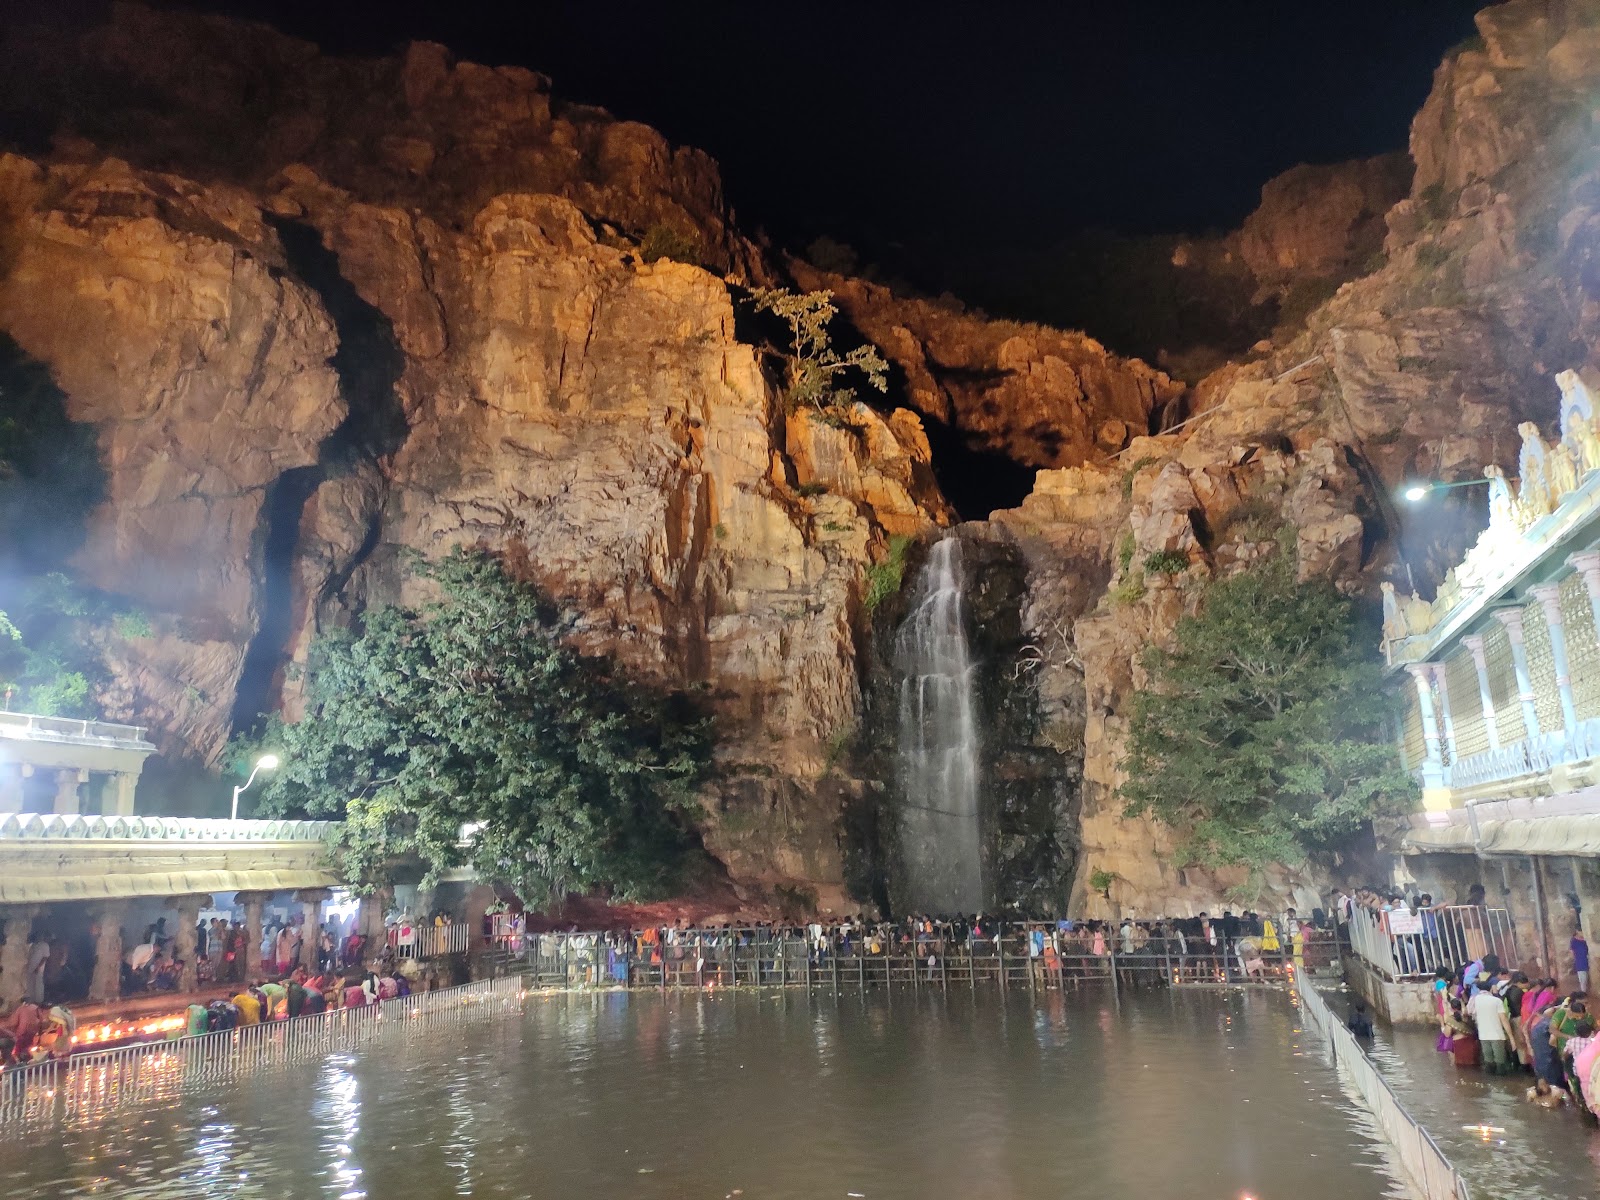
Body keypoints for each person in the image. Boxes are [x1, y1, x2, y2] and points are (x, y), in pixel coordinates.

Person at [1470, 983, 1514, 1074]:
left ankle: (1490, 1082)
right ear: (1490, 989)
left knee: (1488, 1061)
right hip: (1497, 1035)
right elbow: (1504, 1020)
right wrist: (1511, 1037)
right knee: (1500, 1061)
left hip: (1483, 1035)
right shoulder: (1496, 1001)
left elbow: (1469, 1012)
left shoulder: (1475, 999)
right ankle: (1501, 1083)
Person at [1573, 927, 1590, 994]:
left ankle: (1584, 992)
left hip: (1586, 960)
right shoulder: (1574, 940)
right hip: (1580, 961)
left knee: (1585, 978)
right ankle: (1583, 993)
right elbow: (1572, 952)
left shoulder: (1585, 940)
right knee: (1583, 979)